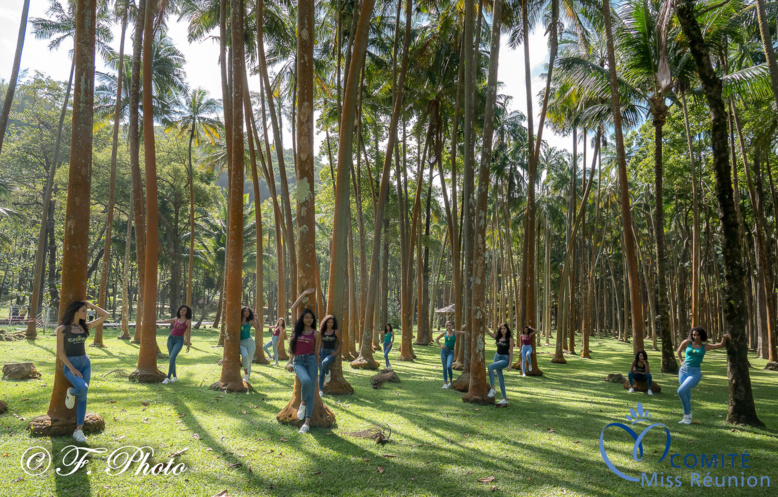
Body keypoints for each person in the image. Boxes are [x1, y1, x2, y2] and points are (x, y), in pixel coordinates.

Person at [57, 300, 109, 442]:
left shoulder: (84, 326)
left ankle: (78, 430)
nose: (86, 313)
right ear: (75, 312)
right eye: (83, 311)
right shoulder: (63, 329)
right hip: (71, 364)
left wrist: (91, 305)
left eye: (86, 311)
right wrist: (72, 368)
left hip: (85, 363)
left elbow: (106, 315)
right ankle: (71, 392)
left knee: (83, 398)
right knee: (82, 388)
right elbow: (61, 352)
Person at [676, 327, 729, 424]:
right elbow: (678, 351)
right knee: (686, 394)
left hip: (695, 373)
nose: (695, 337)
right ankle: (687, 416)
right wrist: (681, 361)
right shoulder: (687, 342)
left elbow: (721, 345)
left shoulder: (705, 347)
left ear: (702, 335)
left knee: (681, 391)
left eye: (697, 335)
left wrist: (724, 337)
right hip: (683, 371)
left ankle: (687, 417)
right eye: (693, 335)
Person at [288, 288, 318, 434]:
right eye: (306, 317)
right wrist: (304, 294)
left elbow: (316, 352)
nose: (309, 319)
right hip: (298, 361)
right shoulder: (297, 329)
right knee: (306, 381)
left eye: (311, 318)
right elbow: (293, 308)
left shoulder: (316, 333)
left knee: (311, 391)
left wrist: (317, 364)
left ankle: (306, 423)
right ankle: (303, 402)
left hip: (311, 361)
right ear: (302, 319)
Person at [157, 305, 192, 384]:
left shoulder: (188, 321)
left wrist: (188, 345)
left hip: (179, 341)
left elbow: (188, 333)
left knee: (172, 357)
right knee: (171, 358)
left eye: (184, 310)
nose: (182, 311)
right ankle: (175, 377)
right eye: (181, 310)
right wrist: (155, 322)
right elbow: (166, 321)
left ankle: (168, 378)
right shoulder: (176, 319)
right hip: (171, 339)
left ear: (187, 312)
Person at [485, 323, 514, 406]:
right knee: (500, 378)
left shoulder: (510, 339)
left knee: (490, 367)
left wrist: (509, 364)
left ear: (507, 329)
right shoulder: (498, 337)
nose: (503, 330)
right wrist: (485, 325)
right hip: (497, 357)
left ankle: (492, 388)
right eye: (501, 328)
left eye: (504, 328)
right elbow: (489, 332)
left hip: (505, 359)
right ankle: (504, 399)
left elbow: (511, 352)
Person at [435, 322, 465, 389]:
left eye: (450, 325)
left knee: (449, 366)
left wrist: (466, 325)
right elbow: (437, 339)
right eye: (447, 325)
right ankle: (445, 383)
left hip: (451, 352)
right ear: (446, 326)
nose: (449, 326)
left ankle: (450, 382)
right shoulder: (444, 333)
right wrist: (440, 346)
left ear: (452, 326)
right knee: (444, 368)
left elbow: (464, 332)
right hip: (444, 351)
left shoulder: (455, 333)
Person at [318, 315, 341, 396]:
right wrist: (318, 354)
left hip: (331, 352)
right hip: (322, 352)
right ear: (325, 323)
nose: (330, 324)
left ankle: (328, 373)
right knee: (321, 373)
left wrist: (336, 352)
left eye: (332, 322)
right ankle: (320, 390)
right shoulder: (322, 332)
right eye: (328, 322)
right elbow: (320, 344)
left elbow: (341, 343)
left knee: (325, 363)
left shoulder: (335, 332)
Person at [239, 307, 262, 383]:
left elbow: (259, 328)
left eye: (248, 311)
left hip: (250, 343)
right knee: (244, 355)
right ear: (242, 312)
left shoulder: (250, 322)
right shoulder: (238, 321)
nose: (247, 312)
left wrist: (256, 319)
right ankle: (246, 373)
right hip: (241, 343)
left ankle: (246, 377)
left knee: (249, 360)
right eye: (245, 311)